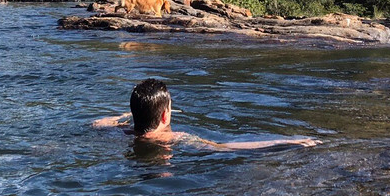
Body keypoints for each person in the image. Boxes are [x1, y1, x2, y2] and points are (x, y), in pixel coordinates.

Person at [93, 78, 319, 150]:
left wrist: (126, 116)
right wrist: (287, 140)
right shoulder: (175, 138)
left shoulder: (125, 133)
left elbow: (97, 123)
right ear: (165, 116)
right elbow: (225, 147)